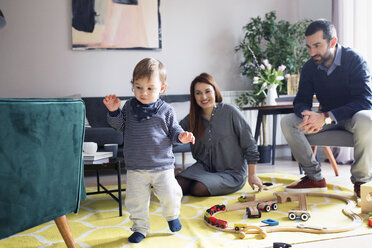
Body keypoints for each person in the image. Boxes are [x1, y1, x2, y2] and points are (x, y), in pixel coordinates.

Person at [103, 58, 195, 243]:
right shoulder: (128, 107)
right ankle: (140, 227)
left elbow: (174, 130)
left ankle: (172, 216)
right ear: (133, 86)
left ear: (162, 88)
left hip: (162, 166)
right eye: (138, 87)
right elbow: (119, 125)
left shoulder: (166, 110)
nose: (143, 93)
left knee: (170, 195)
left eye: (150, 88)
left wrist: (181, 137)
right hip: (136, 167)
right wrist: (114, 112)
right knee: (135, 201)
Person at [280, 19, 372, 197]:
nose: (312, 52)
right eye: (308, 47)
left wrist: (327, 116)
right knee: (288, 122)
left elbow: (365, 101)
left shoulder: (355, 60)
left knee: (367, 119)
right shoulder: (309, 67)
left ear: (333, 42)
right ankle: (314, 177)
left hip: (352, 117)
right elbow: (301, 101)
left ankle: (362, 181)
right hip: (325, 119)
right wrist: (306, 115)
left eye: (317, 45)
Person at [176, 73, 263, 196]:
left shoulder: (230, 112)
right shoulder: (192, 119)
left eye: (207, 91)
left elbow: (250, 144)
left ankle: (190, 178)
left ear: (215, 91)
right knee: (177, 186)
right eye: (198, 93)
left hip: (232, 174)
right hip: (203, 169)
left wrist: (252, 175)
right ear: (194, 96)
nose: (204, 97)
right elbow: (175, 134)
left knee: (199, 189)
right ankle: (186, 176)